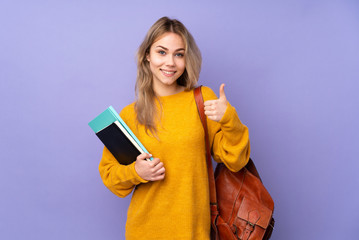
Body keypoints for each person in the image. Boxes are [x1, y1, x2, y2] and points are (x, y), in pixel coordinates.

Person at [99, 16, 250, 240]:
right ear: (147, 56)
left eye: (179, 54)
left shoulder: (202, 100)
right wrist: (136, 172)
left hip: (194, 231)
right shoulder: (130, 114)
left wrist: (229, 118)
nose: (170, 62)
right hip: (144, 231)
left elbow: (236, 160)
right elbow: (111, 176)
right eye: (162, 52)